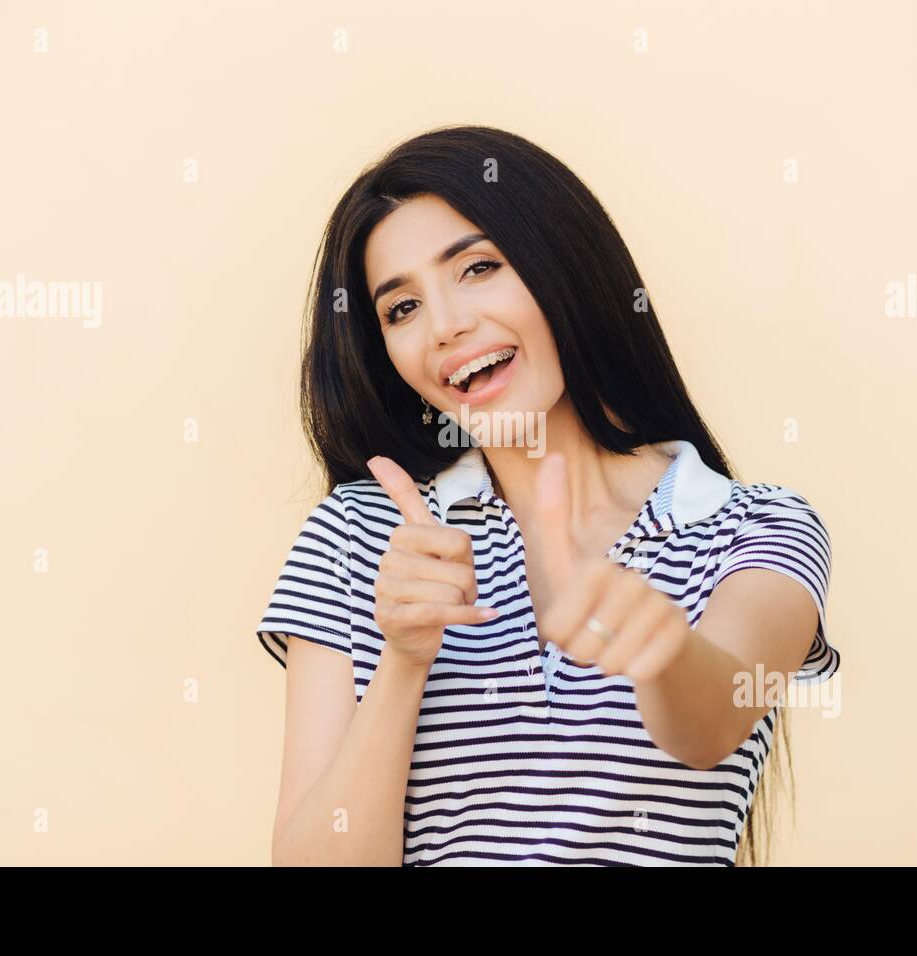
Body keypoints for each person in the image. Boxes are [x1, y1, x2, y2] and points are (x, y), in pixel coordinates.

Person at [258, 125, 839, 866]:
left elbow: (714, 722)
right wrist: (404, 661)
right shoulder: (357, 536)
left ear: (562, 262)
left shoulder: (753, 527)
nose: (446, 325)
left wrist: (658, 648)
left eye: (477, 268)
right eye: (401, 309)